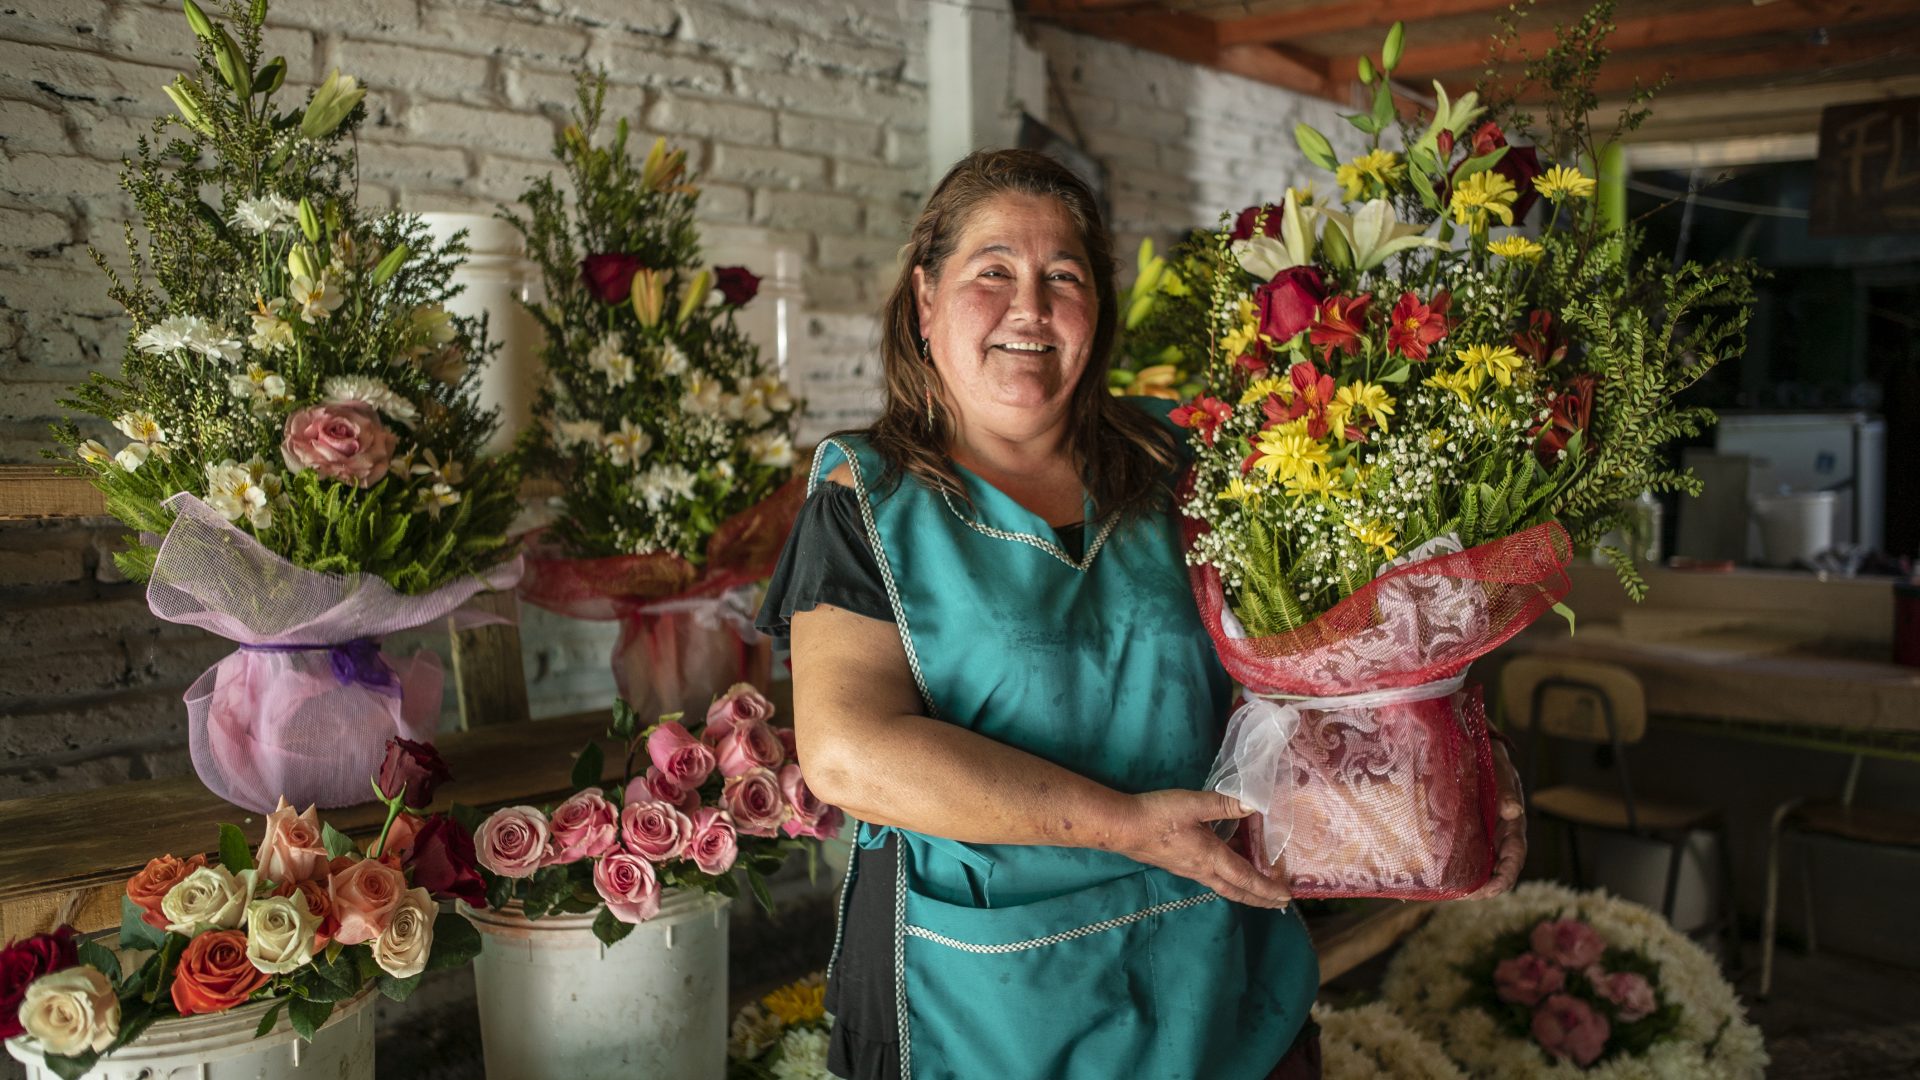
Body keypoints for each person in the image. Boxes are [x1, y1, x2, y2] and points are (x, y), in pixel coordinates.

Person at [756, 149, 1526, 1080]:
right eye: (991, 271)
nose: (1029, 307)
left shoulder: (1188, 466)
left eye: (1063, 277)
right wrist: (1121, 823)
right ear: (925, 300)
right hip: (988, 994)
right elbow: (849, 754)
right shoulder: (867, 500)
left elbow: (1347, 651)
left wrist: (1454, 754)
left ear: (1098, 312)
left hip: (1219, 965)